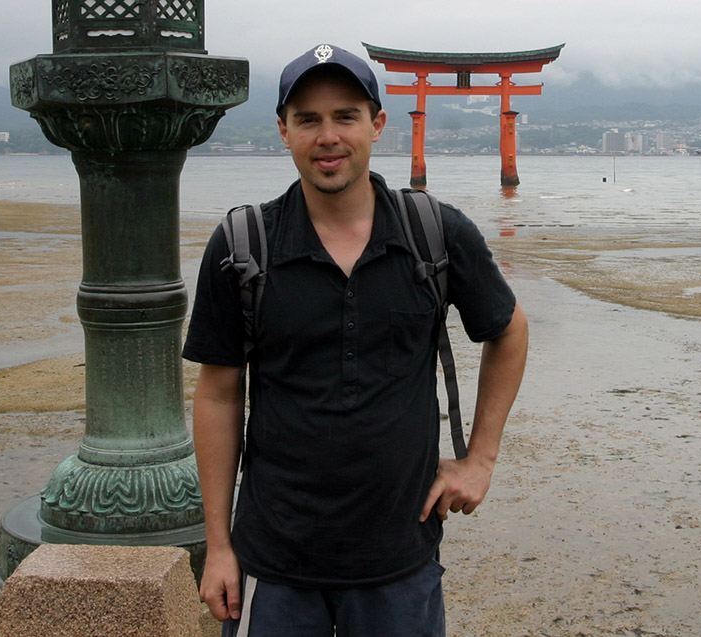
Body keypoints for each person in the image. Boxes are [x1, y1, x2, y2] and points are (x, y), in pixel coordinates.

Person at [183, 43, 528, 636]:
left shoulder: (434, 234)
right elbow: (217, 395)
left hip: (400, 553)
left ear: (377, 124)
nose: (328, 137)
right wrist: (219, 545)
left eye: (345, 116)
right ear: (283, 132)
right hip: (276, 557)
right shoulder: (244, 247)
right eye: (308, 119)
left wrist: (481, 459)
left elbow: (509, 331)